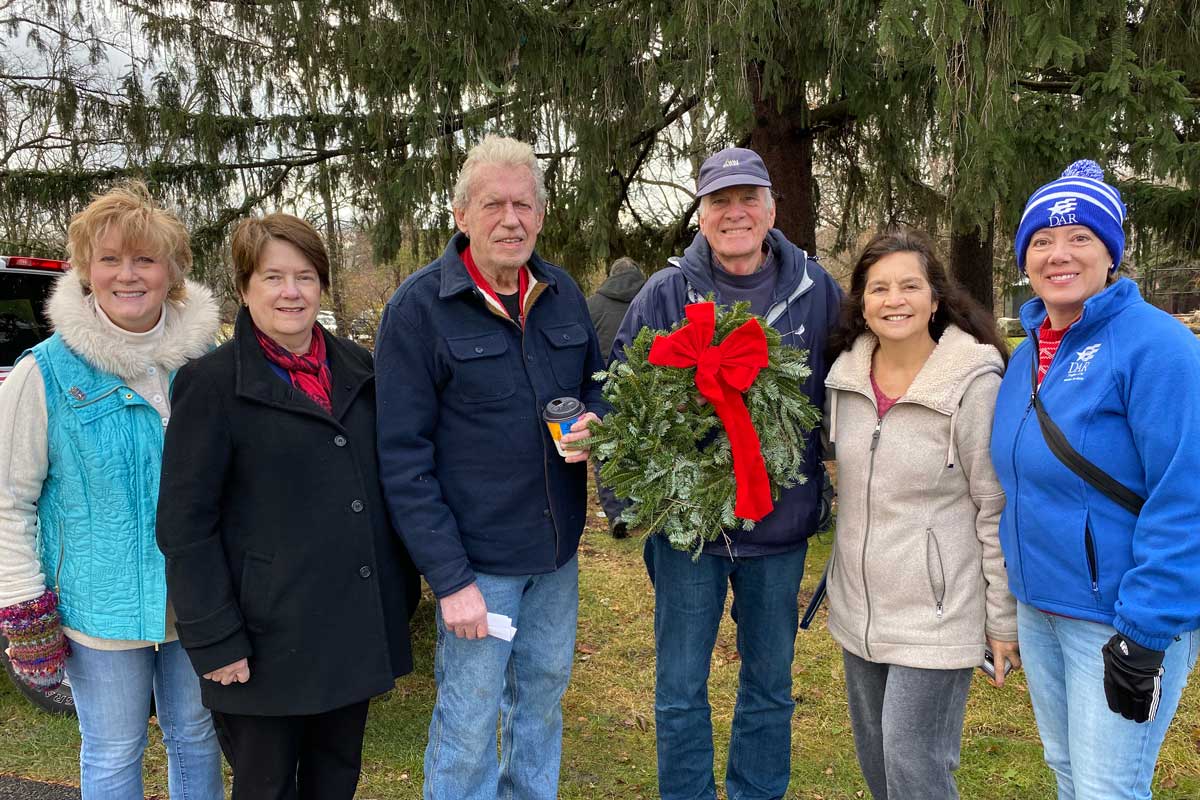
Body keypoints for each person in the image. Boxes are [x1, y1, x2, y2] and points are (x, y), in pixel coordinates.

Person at [374, 135, 608, 800]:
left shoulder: (562, 294)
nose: (512, 219)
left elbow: (595, 387)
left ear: (541, 214)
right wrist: (450, 580)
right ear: (461, 215)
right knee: (468, 723)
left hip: (556, 556)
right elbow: (403, 460)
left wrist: (595, 421)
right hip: (477, 567)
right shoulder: (418, 310)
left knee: (539, 706)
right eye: (494, 204)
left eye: (525, 205)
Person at [155, 213, 418, 799]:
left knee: (335, 782)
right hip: (261, 642)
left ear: (322, 284)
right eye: (273, 277)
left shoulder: (360, 369)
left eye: (304, 276)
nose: (291, 292)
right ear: (245, 288)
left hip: (348, 630)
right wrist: (215, 640)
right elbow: (184, 525)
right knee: (266, 789)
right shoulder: (211, 384)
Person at [611, 146, 843, 800]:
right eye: (720, 201)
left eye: (748, 199)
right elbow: (620, 400)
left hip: (779, 530)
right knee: (680, 689)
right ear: (702, 214)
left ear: (771, 209)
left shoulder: (814, 291)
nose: (735, 212)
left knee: (769, 687)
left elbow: (850, 382)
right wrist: (634, 506)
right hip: (689, 539)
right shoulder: (665, 294)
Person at [0, 183, 223, 799]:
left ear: (172, 272)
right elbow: (8, 500)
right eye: (110, 259)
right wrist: (24, 610)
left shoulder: (205, 363)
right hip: (99, 606)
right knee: (113, 749)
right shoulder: (43, 372)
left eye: (145, 259)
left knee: (198, 738)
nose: (128, 275)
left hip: (197, 601)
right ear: (85, 269)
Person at [991, 160, 1200, 799]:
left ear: (1111, 253)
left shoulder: (1157, 346)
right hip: (1042, 607)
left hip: (1119, 619)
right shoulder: (1027, 354)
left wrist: (1144, 630)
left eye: (1081, 238)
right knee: (1068, 776)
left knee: (1109, 790)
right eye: (1042, 241)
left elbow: (1186, 494)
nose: (1060, 254)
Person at [823, 228, 1018, 799]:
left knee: (915, 766)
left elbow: (994, 507)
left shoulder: (972, 384)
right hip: (859, 610)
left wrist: (1001, 621)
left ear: (936, 298)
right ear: (861, 302)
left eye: (910, 285)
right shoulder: (845, 381)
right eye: (879, 288)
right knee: (880, 766)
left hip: (938, 612)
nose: (895, 299)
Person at [586, 256, 646, 537]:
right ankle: (642, 506)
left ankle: (617, 513)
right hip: (644, 386)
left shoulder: (592, 305)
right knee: (643, 444)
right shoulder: (652, 298)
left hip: (603, 386)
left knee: (606, 451)